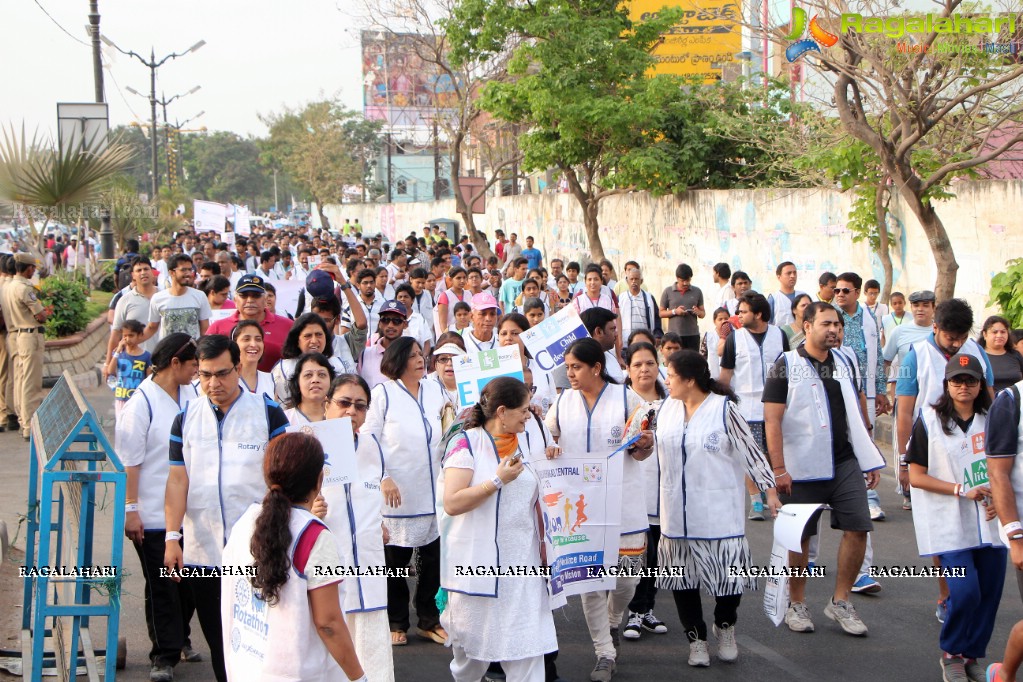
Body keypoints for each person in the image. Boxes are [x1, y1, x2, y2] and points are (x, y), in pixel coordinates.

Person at [164, 334, 290, 682]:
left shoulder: (268, 413)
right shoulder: (186, 417)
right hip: (202, 550)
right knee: (219, 638)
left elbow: (283, 480)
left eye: (221, 373)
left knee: (259, 636)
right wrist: (172, 537)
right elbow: (178, 481)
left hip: (256, 549)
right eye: (204, 375)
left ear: (238, 368)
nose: (213, 383)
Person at [763, 302, 885, 637]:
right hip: (800, 467)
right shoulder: (785, 365)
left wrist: (868, 454)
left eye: (837, 324)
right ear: (806, 325)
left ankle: (841, 600)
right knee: (801, 537)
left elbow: (856, 407)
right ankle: (797, 603)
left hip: (845, 461)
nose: (833, 329)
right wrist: (779, 469)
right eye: (826, 323)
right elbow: (772, 421)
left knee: (858, 527)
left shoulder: (844, 360)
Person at [655, 350, 778, 666]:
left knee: (728, 581)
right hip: (676, 513)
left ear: (689, 380)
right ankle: (696, 639)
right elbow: (649, 447)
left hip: (718, 513)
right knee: (682, 580)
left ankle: (725, 625)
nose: (665, 381)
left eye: (669, 375)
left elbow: (751, 452)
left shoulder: (724, 409)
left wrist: (770, 491)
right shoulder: (666, 409)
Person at [545, 337, 653, 682]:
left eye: (576, 367)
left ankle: (614, 618)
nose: (570, 373)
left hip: (625, 503)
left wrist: (644, 445)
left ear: (596, 367)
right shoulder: (562, 403)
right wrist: (550, 449)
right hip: (580, 510)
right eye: (567, 367)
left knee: (627, 580)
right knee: (591, 585)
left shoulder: (626, 398)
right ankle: (604, 652)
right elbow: (547, 439)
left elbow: (643, 448)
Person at [439, 377, 559, 682]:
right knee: (471, 661)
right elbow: (452, 502)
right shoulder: (466, 444)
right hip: (478, 569)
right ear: (501, 411)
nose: (529, 415)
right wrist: (496, 481)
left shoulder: (526, 441)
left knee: (528, 650)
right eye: (523, 409)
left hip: (524, 567)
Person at [220, 432, 367, 682]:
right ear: (320, 480)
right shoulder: (314, 537)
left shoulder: (246, 522)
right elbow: (328, 623)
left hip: (246, 666)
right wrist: (359, 677)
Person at [906, 354, 1003, 682]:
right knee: (964, 592)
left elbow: (1009, 468)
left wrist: (1002, 501)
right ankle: (951, 652)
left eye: (970, 381)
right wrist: (962, 490)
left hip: (991, 522)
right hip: (948, 520)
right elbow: (916, 476)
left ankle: (972, 655)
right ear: (946, 385)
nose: (964, 386)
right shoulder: (930, 420)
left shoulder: (994, 419)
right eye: (957, 380)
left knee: (989, 593)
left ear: (980, 385)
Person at [116, 334, 200, 682]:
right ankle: (163, 656)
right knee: (163, 583)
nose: (198, 369)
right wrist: (130, 509)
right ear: (174, 364)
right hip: (151, 512)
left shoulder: (192, 393)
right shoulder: (142, 404)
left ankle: (179, 638)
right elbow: (130, 462)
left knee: (189, 580)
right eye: (193, 363)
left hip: (188, 510)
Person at [361, 336, 447, 646]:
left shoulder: (436, 390)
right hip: (396, 493)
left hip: (433, 490)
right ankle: (396, 620)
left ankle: (429, 619)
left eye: (421, 354)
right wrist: (382, 476)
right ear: (398, 360)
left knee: (431, 561)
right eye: (412, 355)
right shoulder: (383, 393)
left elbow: (451, 425)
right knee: (395, 563)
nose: (420, 359)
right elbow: (367, 437)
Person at [319, 374, 394, 681]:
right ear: (327, 405)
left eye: (360, 406)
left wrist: (380, 522)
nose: (352, 411)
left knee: (372, 645)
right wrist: (309, 511)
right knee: (332, 644)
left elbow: (371, 491)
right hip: (329, 562)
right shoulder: (309, 444)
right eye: (344, 403)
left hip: (369, 562)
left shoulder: (371, 444)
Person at [718, 292, 790, 521]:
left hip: (776, 407)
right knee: (750, 455)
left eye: (743, 311)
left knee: (772, 453)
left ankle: (774, 494)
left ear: (758, 314)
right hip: (745, 408)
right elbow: (726, 375)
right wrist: (721, 404)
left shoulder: (779, 335)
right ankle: (756, 500)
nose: (738, 315)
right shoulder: (734, 338)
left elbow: (789, 368)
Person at [621, 342, 670, 642]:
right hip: (631, 490)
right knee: (636, 554)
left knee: (656, 556)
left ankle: (647, 608)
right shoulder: (621, 403)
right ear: (628, 369)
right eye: (637, 364)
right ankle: (634, 611)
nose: (644, 369)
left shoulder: (672, 403)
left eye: (650, 363)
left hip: (663, 492)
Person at [2, 252, 52, 440]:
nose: (34, 271)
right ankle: (30, 425)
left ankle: (23, 420)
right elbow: (40, 315)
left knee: (20, 380)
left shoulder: (8, 286)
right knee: (31, 383)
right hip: (29, 336)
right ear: (28, 268)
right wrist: (44, 313)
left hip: (15, 335)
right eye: (33, 268)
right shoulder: (24, 288)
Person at [205, 274, 294, 372]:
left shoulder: (288, 326)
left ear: (265, 300)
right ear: (235, 300)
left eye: (256, 296)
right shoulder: (217, 328)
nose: (250, 300)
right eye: (244, 296)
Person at [272, 313, 351, 405]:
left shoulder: (338, 364)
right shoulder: (284, 369)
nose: (314, 341)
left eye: (319, 335)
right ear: (297, 340)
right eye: (308, 336)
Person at [142, 254, 211, 343]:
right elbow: (152, 327)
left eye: (190, 269)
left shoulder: (200, 296)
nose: (188, 274)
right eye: (183, 270)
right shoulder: (158, 298)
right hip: (167, 354)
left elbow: (205, 330)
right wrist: (133, 341)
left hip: (192, 354)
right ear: (172, 272)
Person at [497, 313, 557, 416]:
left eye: (515, 333)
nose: (508, 338)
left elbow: (553, 405)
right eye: (503, 334)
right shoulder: (492, 372)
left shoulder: (542, 367)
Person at [552, 307, 626, 389]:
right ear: (599, 331)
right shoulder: (569, 360)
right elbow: (562, 396)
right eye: (612, 329)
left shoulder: (610, 356)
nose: (616, 334)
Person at [104, 319, 152, 421]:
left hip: (138, 399)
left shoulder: (146, 356)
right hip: (121, 398)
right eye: (124, 336)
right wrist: (117, 351)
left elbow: (149, 378)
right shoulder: (119, 354)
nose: (127, 339)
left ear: (139, 335)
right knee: (121, 427)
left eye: (131, 335)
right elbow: (110, 371)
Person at [359, 301, 410, 389]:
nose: (390, 325)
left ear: (405, 324)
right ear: (379, 324)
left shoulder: (411, 355)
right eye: (385, 320)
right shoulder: (365, 354)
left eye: (396, 321)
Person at [659, 263, 704, 351]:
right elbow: (661, 313)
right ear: (677, 278)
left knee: (692, 362)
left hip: (692, 335)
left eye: (688, 280)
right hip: (674, 336)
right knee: (676, 361)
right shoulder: (668, 291)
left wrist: (698, 312)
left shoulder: (697, 291)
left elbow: (702, 314)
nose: (685, 283)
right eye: (682, 280)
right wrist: (675, 311)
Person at [282, 352, 336, 424]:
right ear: (297, 382)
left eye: (322, 374)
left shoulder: (341, 416)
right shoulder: (284, 419)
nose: (315, 380)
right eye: (308, 375)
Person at [978, 315, 1023, 392]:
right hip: (988, 403)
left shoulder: (1015, 355)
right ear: (985, 334)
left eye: (1003, 332)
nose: (999, 335)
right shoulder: (978, 356)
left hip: (1015, 401)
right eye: (994, 332)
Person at [230, 319, 274, 398]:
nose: (253, 344)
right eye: (246, 339)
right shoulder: (225, 379)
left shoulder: (271, 380)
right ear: (234, 344)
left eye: (258, 339)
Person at [620, 268, 658, 342]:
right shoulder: (621, 298)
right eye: (631, 279)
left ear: (641, 281)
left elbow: (656, 317)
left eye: (636, 279)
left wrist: (657, 335)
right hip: (626, 341)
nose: (634, 281)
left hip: (644, 340)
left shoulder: (649, 298)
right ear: (627, 281)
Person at [429, 337, 467, 407]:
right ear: (435, 364)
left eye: (455, 359)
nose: (449, 363)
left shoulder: (474, 386)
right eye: (443, 359)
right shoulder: (426, 388)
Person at [435, 267, 472, 337]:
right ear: (451, 279)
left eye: (464, 278)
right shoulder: (445, 296)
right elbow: (443, 322)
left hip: (467, 334)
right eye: (458, 278)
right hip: (452, 334)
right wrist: (447, 337)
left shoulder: (469, 294)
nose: (462, 281)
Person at [768, 261, 806, 327]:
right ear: (779, 277)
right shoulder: (773, 299)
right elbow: (768, 323)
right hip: (781, 336)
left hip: (802, 335)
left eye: (794, 273)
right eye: (788, 273)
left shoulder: (803, 296)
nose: (792, 276)